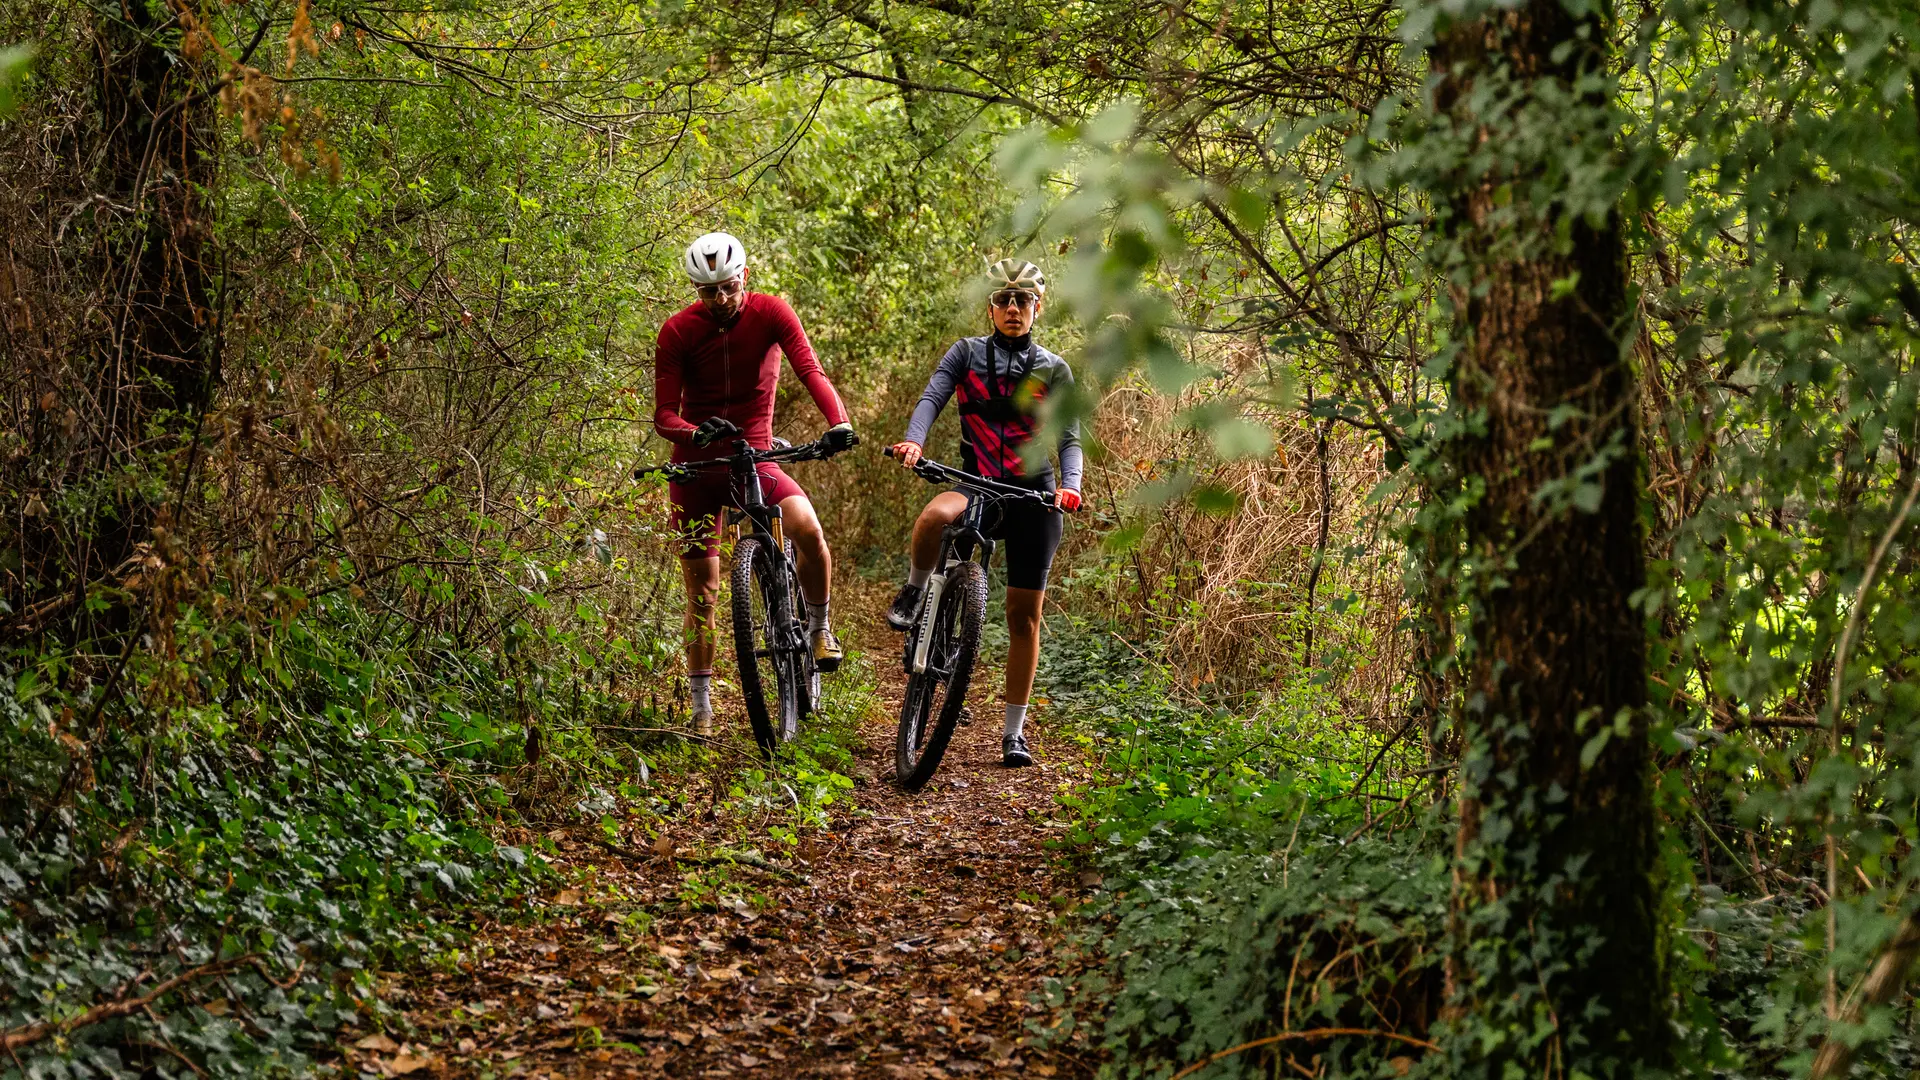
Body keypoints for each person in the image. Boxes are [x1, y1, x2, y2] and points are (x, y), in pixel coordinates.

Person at [654, 232, 857, 736]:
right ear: (695, 291)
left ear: (744, 276)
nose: (720, 300)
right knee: (703, 592)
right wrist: (692, 431)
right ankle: (702, 708)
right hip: (697, 469)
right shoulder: (677, 331)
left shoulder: (771, 313)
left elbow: (809, 368)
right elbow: (662, 415)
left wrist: (838, 422)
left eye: (727, 287)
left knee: (807, 529)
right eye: (707, 291)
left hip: (756, 457)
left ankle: (817, 628)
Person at [886, 259, 1083, 768]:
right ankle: (914, 593)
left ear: (1038, 307)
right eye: (1003, 301)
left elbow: (1068, 436)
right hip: (977, 483)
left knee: (1024, 617)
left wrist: (1071, 486)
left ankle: (1013, 733)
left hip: (1033, 497)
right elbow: (932, 397)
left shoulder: (1054, 369)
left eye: (1022, 301)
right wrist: (914, 440)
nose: (1013, 309)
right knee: (933, 519)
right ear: (990, 308)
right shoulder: (966, 354)